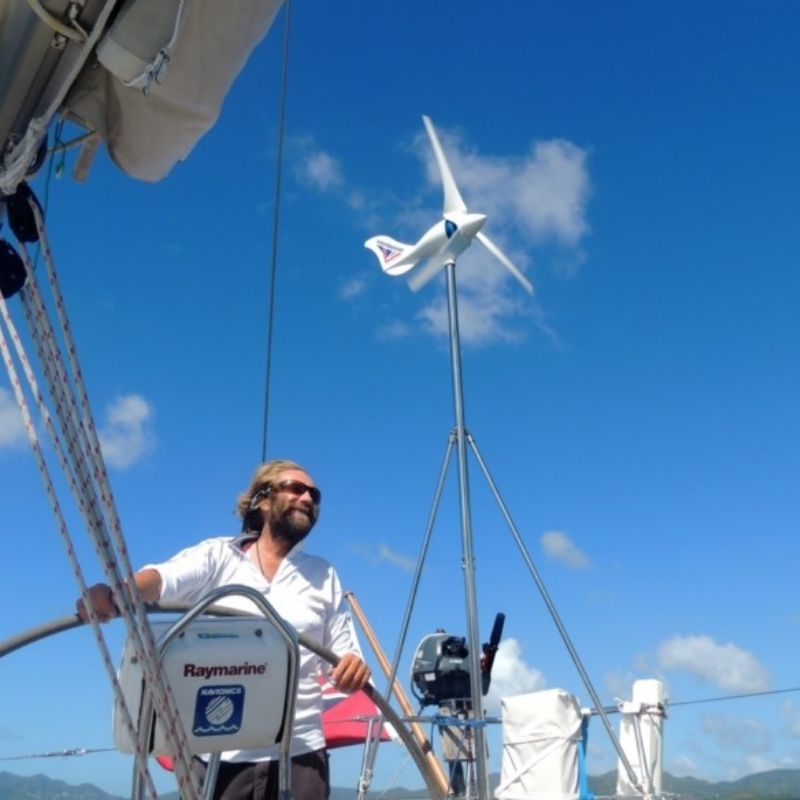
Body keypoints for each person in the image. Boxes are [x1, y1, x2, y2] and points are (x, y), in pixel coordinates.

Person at [78, 459, 371, 800]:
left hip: (301, 754)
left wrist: (351, 667)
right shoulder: (219, 556)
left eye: (314, 494)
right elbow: (162, 579)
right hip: (220, 750)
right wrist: (117, 593)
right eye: (295, 488)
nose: (308, 498)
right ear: (262, 500)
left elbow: (344, 656)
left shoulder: (323, 574)